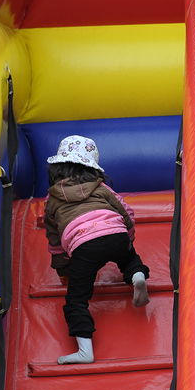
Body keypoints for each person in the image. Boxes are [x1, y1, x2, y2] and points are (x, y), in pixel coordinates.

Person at [44, 135, 150, 365]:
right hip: (115, 233)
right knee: (129, 259)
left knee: (77, 300)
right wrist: (127, 239)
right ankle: (137, 275)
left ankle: (84, 350)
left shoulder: (52, 200)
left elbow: (54, 240)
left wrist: (63, 270)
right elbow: (126, 212)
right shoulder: (101, 188)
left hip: (84, 246)